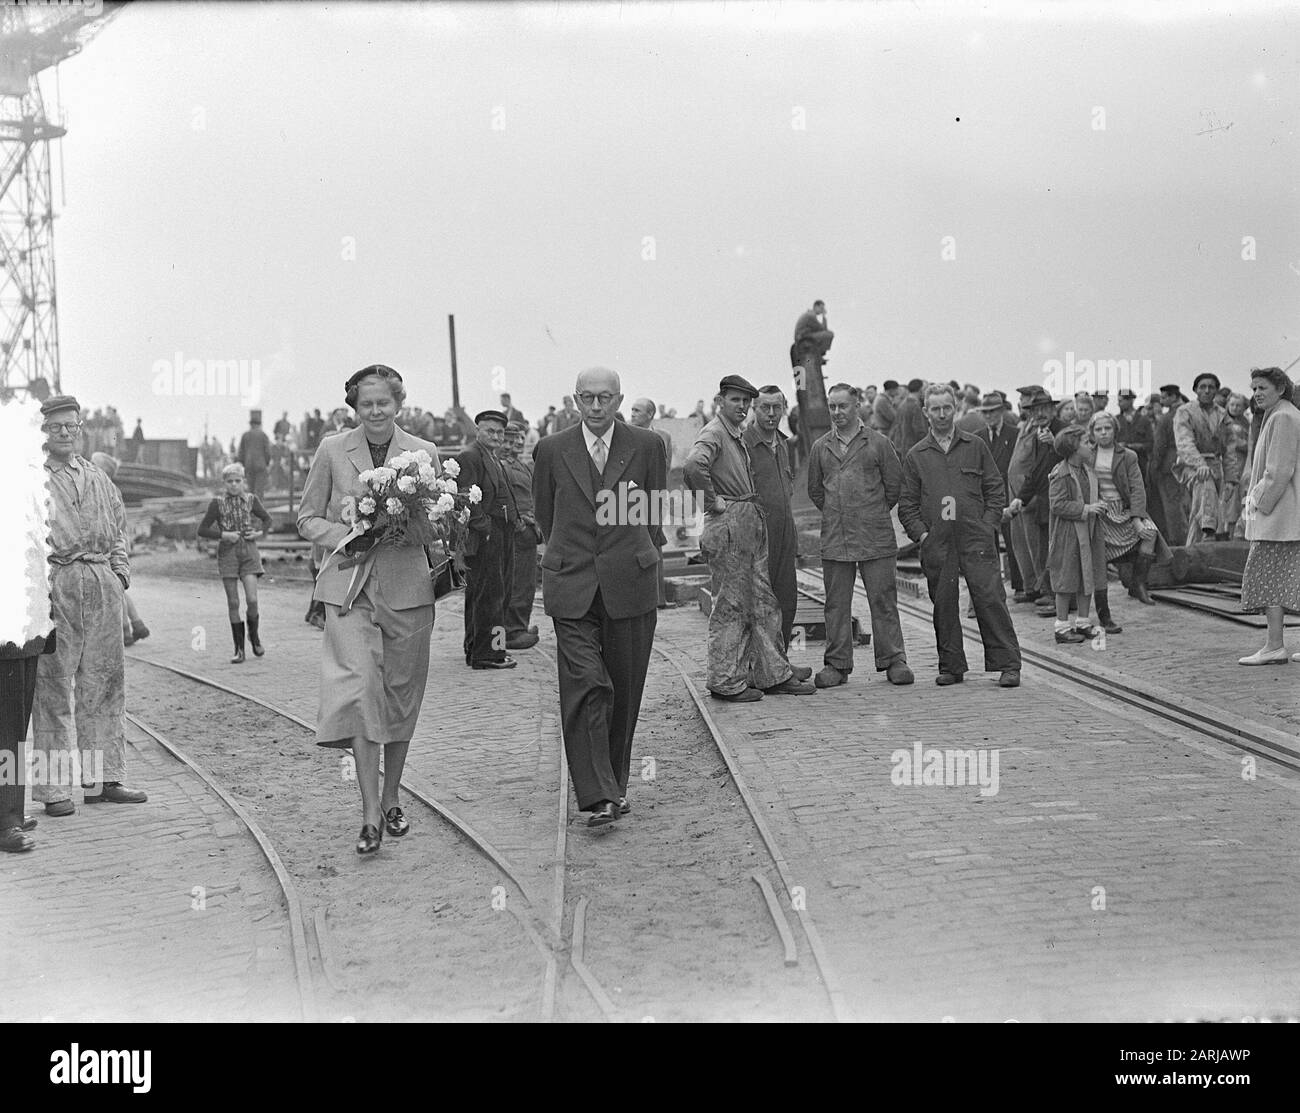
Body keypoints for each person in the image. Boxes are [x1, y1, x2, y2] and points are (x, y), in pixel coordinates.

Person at [297, 365, 440, 853]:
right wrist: (352, 535)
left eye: (383, 403)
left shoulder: (425, 454)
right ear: (353, 409)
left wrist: (410, 526)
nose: (375, 412)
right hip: (349, 591)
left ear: (398, 404)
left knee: (400, 697)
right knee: (360, 694)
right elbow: (306, 518)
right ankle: (368, 813)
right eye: (365, 405)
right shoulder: (333, 450)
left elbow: (436, 526)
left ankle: (393, 797)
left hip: (407, 592)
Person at [532, 367, 668, 826]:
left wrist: (630, 553)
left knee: (624, 691)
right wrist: (574, 556)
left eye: (604, 398)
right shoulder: (551, 450)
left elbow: (652, 511)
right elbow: (546, 518)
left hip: (630, 583)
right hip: (572, 585)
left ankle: (615, 784)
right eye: (587, 398)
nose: (595, 407)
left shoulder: (647, 447)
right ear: (574, 400)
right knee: (587, 684)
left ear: (619, 400)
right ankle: (597, 796)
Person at [31, 395, 148, 815]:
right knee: (54, 688)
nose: (65, 433)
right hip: (55, 585)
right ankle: (55, 791)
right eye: (56, 427)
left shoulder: (98, 478)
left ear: (81, 429)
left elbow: (119, 531)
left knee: (104, 684)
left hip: (101, 586)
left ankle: (103, 780)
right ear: (42, 431)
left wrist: (119, 576)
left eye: (72, 426)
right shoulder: (31, 478)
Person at [685, 375, 815, 701]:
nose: (741, 407)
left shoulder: (735, 434)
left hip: (746, 522)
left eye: (745, 401)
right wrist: (711, 501)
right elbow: (692, 466)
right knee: (731, 608)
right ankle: (725, 683)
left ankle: (773, 674)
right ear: (720, 401)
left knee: (763, 603)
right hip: (730, 524)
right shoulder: (715, 432)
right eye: (735, 401)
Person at [898, 383, 1022, 687]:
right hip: (938, 541)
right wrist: (923, 536)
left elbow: (995, 488)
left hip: (975, 537)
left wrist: (989, 524)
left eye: (947, 408)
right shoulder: (917, 456)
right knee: (944, 602)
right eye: (935, 409)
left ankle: (1007, 664)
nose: (942, 415)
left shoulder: (975, 446)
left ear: (956, 409)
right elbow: (907, 504)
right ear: (926, 413)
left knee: (990, 597)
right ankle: (951, 666)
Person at [806, 384, 913, 688]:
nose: (837, 413)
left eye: (843, 406)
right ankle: (837, 665)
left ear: (857, 407)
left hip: (875, 536)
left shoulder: (879, 444)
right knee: (836, 604)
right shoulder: (820, 447)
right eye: (832, 407)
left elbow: (894, 487)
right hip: (836, 538)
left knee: (883, 599)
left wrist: (869, 512)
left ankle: (894, 660)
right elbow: (816, 490)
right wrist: (840, 511)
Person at [1, 399, 57, 852]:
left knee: (17, 725)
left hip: (28, 627)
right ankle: (4, 823)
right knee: (4, 726)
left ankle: (12, 812)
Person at [743, 386, 810, 676]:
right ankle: (758, 668)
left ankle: (781, 664)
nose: (771, 414)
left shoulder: (782, 444)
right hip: (758, 537)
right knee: (758, 604)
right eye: (764, 408)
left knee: (786, 600)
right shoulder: (743, 443)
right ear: (753, 409)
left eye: (776, 408)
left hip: (784, 533)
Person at [1237, 368, 1300, 665]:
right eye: (1254, 388)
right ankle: (1274, 645)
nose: (1257, 393)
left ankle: (1274, 646)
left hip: (1279, 516)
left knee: (1271, 579)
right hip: (1281, 515)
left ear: (1280, 388)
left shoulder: (1283, 417)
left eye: (1262, 387)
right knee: (1285, 579)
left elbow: (1278, 471)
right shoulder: (1278, 415)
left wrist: (1255, 503)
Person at [1085, 411, 1169, 614]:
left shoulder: (1128, 455)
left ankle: (1138, 585)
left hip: (1123, 509)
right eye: (1098, 429)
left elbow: (1137, 488)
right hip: (1100, 511)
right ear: (1092, 433)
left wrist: (1137, 518)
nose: (1103, 433)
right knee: (1095, 549)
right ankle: (1097, 598)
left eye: (1108, 428)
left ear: (1115, 430)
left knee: (1150, 533)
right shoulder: (1087, 455)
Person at [455, 410, 518, 669]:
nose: (496, 436)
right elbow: (466, 496)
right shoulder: (470, 456)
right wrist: (486, 528)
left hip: (499, 533)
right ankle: (490, 654)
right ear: (477, 430)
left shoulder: (491, 456)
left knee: (489, 595)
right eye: (490, 431)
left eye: (500, 432)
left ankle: (476, 647)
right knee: (491, 598)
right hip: (486, 537)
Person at [197, 463, 273, 663]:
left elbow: (267, 519)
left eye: (237, 481)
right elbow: (202, 529)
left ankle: (254, 637)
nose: (233, 485)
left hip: (249, 551)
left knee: (252, 599)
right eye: (229, 481)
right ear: (224, 483)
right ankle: (239, 649)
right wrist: (224, 535)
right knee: (233, 602)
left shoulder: (250, 500)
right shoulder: (217, 503)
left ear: (244, 482)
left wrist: (258, 533)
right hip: (228, 554)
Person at [1046, 426, 1107, 643]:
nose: (1091, 445)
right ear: (1073, 448)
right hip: (1068, 534)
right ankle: (1061, 626)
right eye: (1087, 442)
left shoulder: (1087, 470)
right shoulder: (1061, 473)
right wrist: (1086, 509)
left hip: (1088, 532)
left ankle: (1083, 621)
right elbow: (1057, 505)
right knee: (1066, 578)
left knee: (1086, 576)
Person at [1006, 388, 1063, 614]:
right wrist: (1021, 497)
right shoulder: (1041, 431)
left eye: (1043, 409)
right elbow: (1036, 471)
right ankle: (1049, 593)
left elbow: (1077, 455)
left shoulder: (1061, 430)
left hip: (1061, 500)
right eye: (1035, 410)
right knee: (1043, 550)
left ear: (1052, 409)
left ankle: (1060, 598)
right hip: (1042, 500)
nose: (1039, 414)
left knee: (1057, 550)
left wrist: (1055, 442)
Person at [90, 451, 151, 646]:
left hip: (109, 545)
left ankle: (125, 631)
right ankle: (137, 623)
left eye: (93, 465)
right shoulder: (113, 488)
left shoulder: (102, 489)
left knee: (114, 589)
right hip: (118, 542)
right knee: (119, 588)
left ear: (102, 471)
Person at [498, 420, 541, 650]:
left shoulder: (521, 465)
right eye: (507, 440)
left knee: (526, 583)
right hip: (518, 530)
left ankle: (519, 626)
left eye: (515, 439)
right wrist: (520, 525)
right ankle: (512, 632)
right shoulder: (502, 465)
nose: (512, 444)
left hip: (529, 529)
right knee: (516, 583)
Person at [1173, 372, 1231, 544]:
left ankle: (1193, 550)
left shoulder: (1222, 414)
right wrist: (1200, 465)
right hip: (1190, 466)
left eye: (1211, 387)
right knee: (1206, 485)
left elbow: (1230, 449)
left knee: (1200, 505)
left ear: (1216, 391)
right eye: (1202, 387)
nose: (1206, 391)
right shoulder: (1185, 412)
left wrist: (1231, 479)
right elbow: (1184, 443)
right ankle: (1209, 530)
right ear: (1195, 390)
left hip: (1214, 464)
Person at [629, 396, 675, 608]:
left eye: (637, 411)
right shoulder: (626, 435)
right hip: (632, 497)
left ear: (650, 414)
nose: (633, 414)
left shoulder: (663, 437)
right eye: (632, 410)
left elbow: (664, 469)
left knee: (655, 540)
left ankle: (658, 597)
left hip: (655, 496)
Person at [976, 392, 1022, 600]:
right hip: (987, 496)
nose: (989, 416)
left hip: (1009, 492)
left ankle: (1020, 586)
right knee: (988, 542)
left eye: (993, 411)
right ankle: (994, 588)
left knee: (1014, 541)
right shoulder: (978, 437)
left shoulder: (1014, 434)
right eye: (985, 412)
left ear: (1002, 411)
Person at [1148, 384, 1189, 545]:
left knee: (1172, 505)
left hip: (1169, 465)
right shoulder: (1190, 412)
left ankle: (1176, 541)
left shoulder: (1167, 417)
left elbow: (1159, 446)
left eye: (1164, 397)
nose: (1162, 400)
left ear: (1173, 397)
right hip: (1189, 463)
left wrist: (1154, 468)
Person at [1222, 393, 1250, 539]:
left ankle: (1239, 531)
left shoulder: (1246, 422)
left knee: (1242, 496)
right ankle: (1229, 532)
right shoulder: (1225, 421)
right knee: (1230, 498)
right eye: (1232, 405)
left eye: (1238, 405)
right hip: (1231, 462)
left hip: (1243, 463)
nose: (1234, 408)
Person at [1114, 387, 1154, 478]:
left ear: (1130, 401)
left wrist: (1131, 446)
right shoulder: (1116, 420)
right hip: (1121, 464)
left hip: (1140, 463)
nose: (1118, 404)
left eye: (1121, 401)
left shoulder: (1144, 420)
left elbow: (1150, 444)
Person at [889, 378, 928, 459]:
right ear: (921, 390)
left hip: (901, 448)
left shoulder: (903, 404)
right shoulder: (915, 406)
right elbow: (920, 431)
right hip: (912, 449)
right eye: (925, 389)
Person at [238, 410, 273, 497]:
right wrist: (267, 463)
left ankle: (251, 509)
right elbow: (267, 452)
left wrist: (244, 463)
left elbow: (241, 453)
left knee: (251, 490)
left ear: (251, 424)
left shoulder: (245, 435)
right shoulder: (263, 435)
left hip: (249, 465)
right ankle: (258, 509)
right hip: (261, 466)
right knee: (259, 491)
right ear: (259, 424)